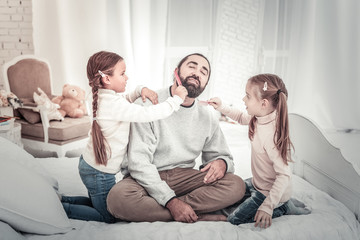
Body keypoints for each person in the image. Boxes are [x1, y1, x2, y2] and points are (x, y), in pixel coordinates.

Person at [106, 53, 246, 223]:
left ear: (206, 83)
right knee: (117, 199)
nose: (197, 73)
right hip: (146, 177)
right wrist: (171, 202)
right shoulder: (148, 104)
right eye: (192, 66)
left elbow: (224, 156)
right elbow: (139, 162)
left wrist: (222, 163)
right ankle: (192, 213)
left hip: (184, 177)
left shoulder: (207, 116)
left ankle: (173, 209)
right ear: (176, 71)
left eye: (204, 71)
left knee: (236, 185)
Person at [61, 51, 188, 223]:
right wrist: (176, 100)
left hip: (91, 166)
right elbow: (149, 113)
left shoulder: (103, 97)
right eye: (122, 74)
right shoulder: (113, 104)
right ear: (106, 79)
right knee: (108, 215)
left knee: (96, 203)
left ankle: (62, 201)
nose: (126, 77)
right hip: (99, 173)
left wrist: (139, 90)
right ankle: (62, 209)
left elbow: (124, 102)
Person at [208, 73, 310, 228]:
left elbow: (284, 175)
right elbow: (241, 117)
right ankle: (283, 202)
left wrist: (267, 207)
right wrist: (221, 107)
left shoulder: (272, 136)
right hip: (257, 184)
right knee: (229, 194)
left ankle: (283, 206)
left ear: (263, 103)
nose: (243, 99)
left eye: (247, 96)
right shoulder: (258, 118)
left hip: (268, 193)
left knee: (234, 219)